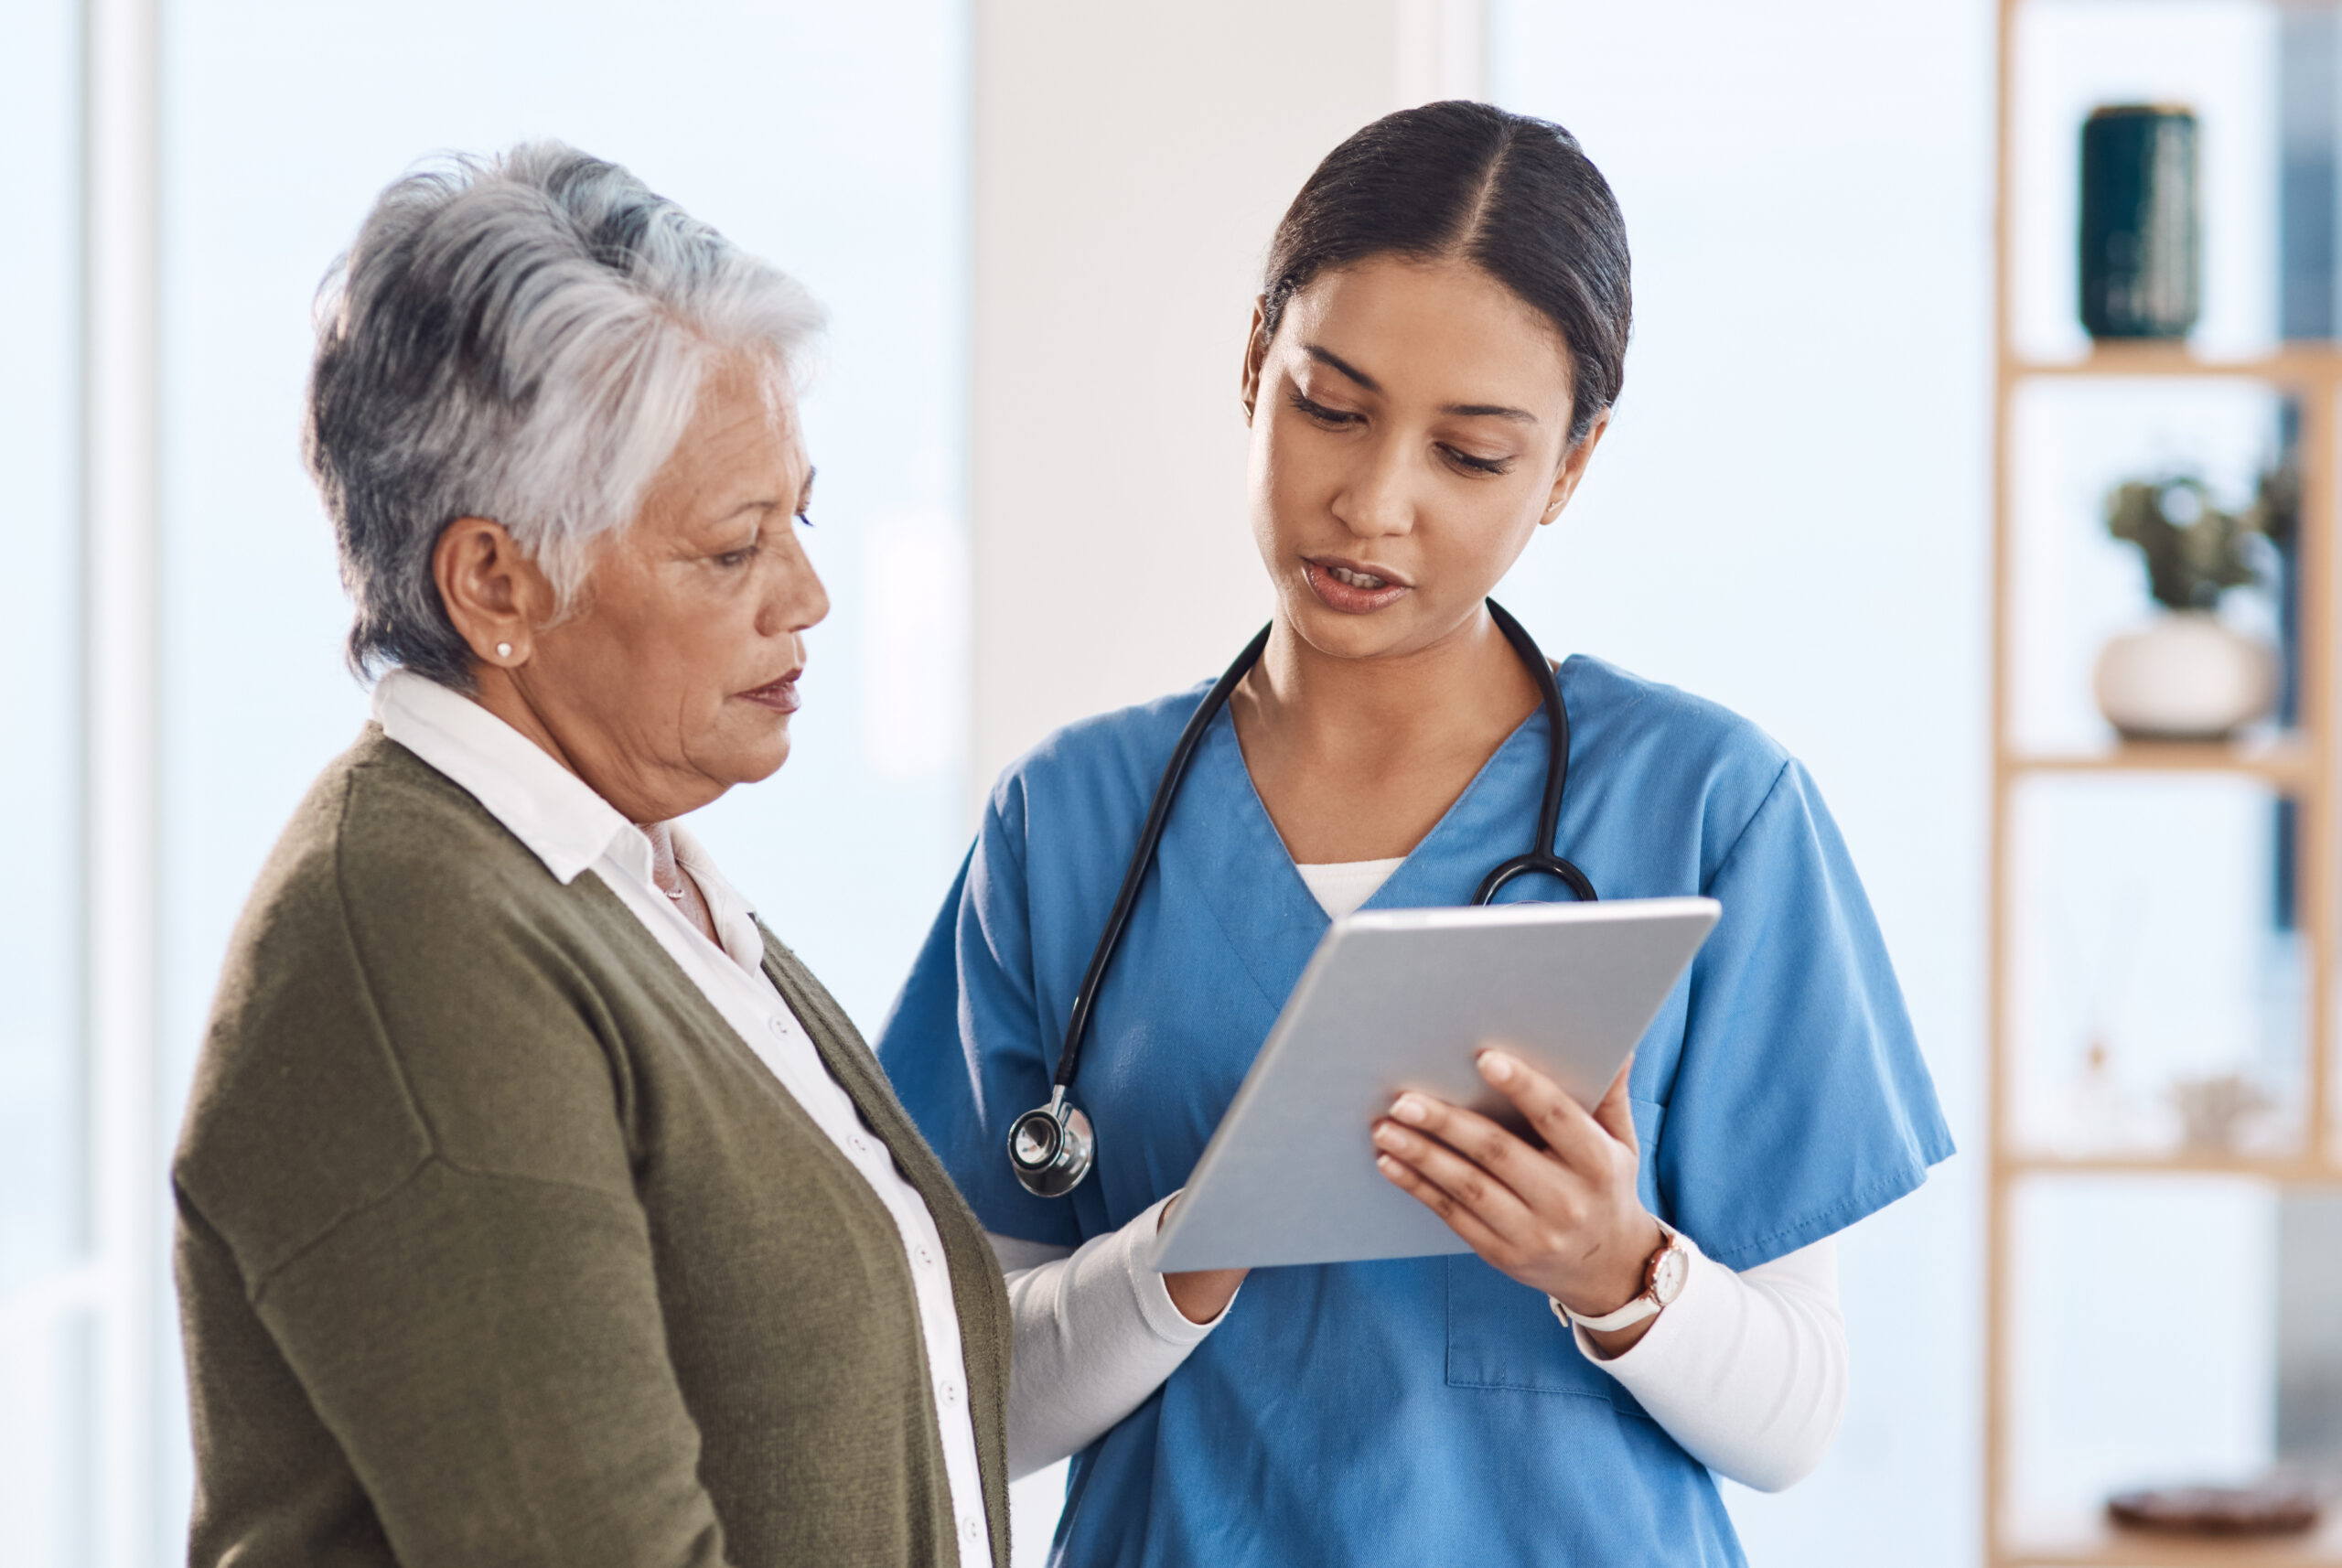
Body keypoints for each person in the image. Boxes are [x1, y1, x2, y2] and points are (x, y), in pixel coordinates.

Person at [876, 102, 1953, 1567]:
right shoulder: (1066, 822)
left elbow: (1797, 1414)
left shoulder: (1710, 807)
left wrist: (1614, 1267)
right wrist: (1180, 1259)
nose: (1374, 504)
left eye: (1471, 455)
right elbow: (959, 1402)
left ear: (1567, 470)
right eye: (1331, 405)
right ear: (1255, 361)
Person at [172, 144, 1008, 1568]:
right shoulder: (411, 943)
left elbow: (881, 1386)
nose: (807, 593)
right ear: (496, 579)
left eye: (796, 517)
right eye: (733, 548)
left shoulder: (630, 883)